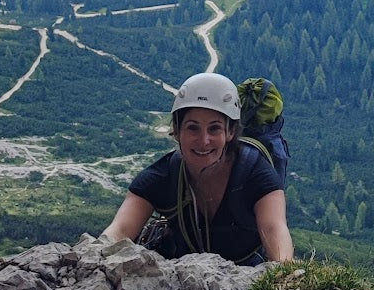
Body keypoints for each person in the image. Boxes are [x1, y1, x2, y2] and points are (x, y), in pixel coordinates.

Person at [103, 72, 294, 265]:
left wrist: (286, 272)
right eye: (193, 128)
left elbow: (274, 228)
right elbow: (120, 230)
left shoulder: (255, 173)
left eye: (214, 128)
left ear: (230, 132)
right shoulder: (164, 175)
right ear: (177, 131)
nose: (204, 141)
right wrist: (93, 256)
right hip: (183, 274)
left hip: (249, 271)